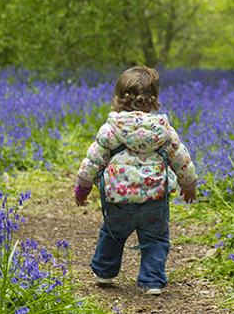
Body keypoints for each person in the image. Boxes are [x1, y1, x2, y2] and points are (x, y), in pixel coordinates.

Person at [74, 66, 198, 296]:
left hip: (118, 199)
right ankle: (152, 281)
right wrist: (188, 184)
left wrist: (83, 186)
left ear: (118, 99)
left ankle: (104, 272)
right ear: (154, 100)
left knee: (112, 233)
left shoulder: (111, 130)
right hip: (155, 199)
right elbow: (181, 158)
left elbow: (93, 159)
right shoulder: (164, 130)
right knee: (156, 238)